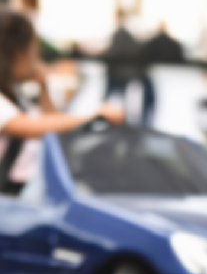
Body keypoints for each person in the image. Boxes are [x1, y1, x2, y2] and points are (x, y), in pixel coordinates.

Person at [0, 11, 123, 194]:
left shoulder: (17, 98)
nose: (37, 60)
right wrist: (94, 115)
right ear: (17, 55)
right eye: (34, 52)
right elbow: (30, 127)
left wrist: (43, 86)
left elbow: (50, 121)